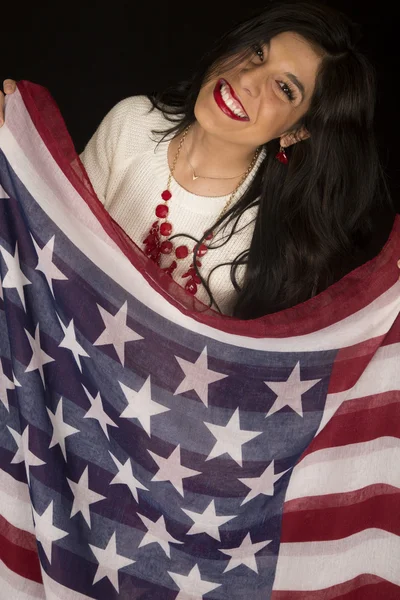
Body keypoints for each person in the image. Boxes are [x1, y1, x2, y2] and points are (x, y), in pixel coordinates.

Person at [1, 0, 398, 319]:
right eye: (258, 52)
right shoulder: (132, 123)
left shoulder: (281, 236)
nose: (246, 78)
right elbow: (49, 240)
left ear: (296, 131)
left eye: (283, 88)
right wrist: (14, 152)